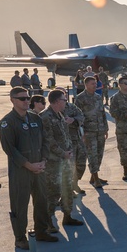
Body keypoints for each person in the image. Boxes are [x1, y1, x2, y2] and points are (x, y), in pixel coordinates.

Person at [0, 87, 57, 250]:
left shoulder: (35, 119)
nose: (26, 101)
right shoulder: (7, 122)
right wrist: (28, 165)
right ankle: (20, 237)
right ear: (12, 100)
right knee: (20, 204)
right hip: (21, 170)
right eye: (22, 98)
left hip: (39, 168)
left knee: (42, 201)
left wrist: (43, 160)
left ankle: (41, 231)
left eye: (28, 98)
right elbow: (10, 149)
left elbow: (45, 141)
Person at [39, 89, 84, 229]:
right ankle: (49, 221)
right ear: (57, 101)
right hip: (54, 161)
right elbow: (49, 140)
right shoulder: (45, 117)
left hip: (66, 159)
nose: (66, 102)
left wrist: (68, 151)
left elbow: (66, 135)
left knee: (67, 188)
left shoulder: (60, 114)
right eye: (64, 100)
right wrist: (62, 153)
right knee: (53, 191)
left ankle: (67, 216)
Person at [76, 76, 109, 188]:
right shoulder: (80, 98)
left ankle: (93, 176)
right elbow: (78, 117)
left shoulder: (98, 97)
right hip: (89, 132)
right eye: (92, 84)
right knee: (92, 155)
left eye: (95, 83)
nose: (95, 85)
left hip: (100, 130)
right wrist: (82, 133)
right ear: (86, 85)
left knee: (100, 154)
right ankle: (95, 179)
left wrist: (105, 128)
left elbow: (103, 113)